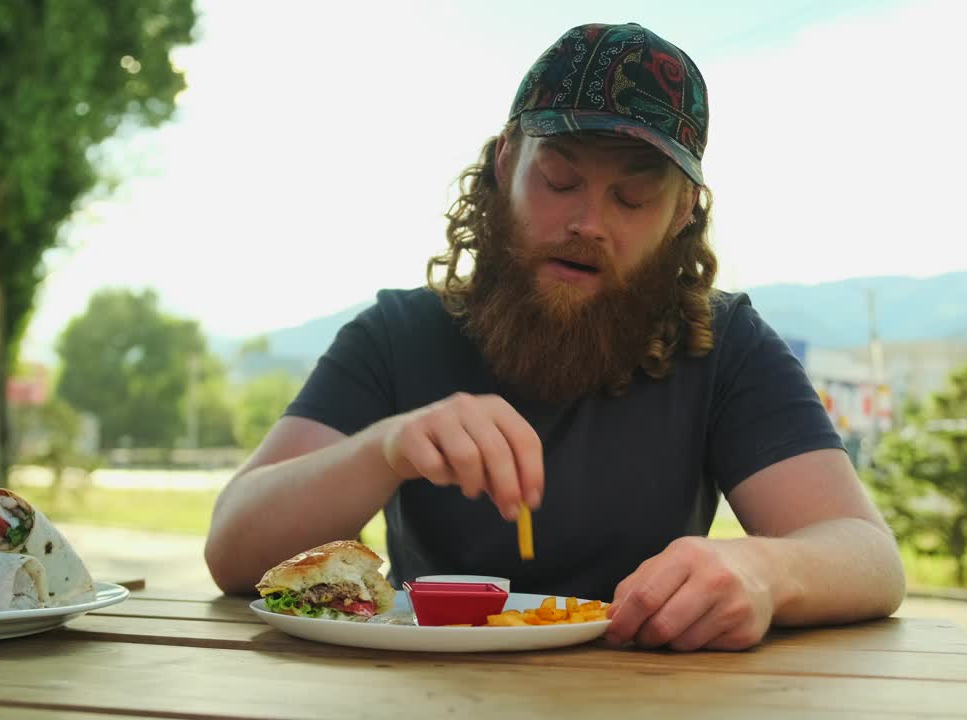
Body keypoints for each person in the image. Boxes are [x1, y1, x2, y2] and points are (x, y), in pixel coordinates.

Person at [206, 21, 905, 651]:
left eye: (633, 198)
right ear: (507, 164)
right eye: (560, 179)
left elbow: (869, 558)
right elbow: (234, 550)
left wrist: (763, 568)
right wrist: (385, 449)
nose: (589, 222)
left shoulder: (725, 347)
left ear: (682, 212)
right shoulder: (398, 334)